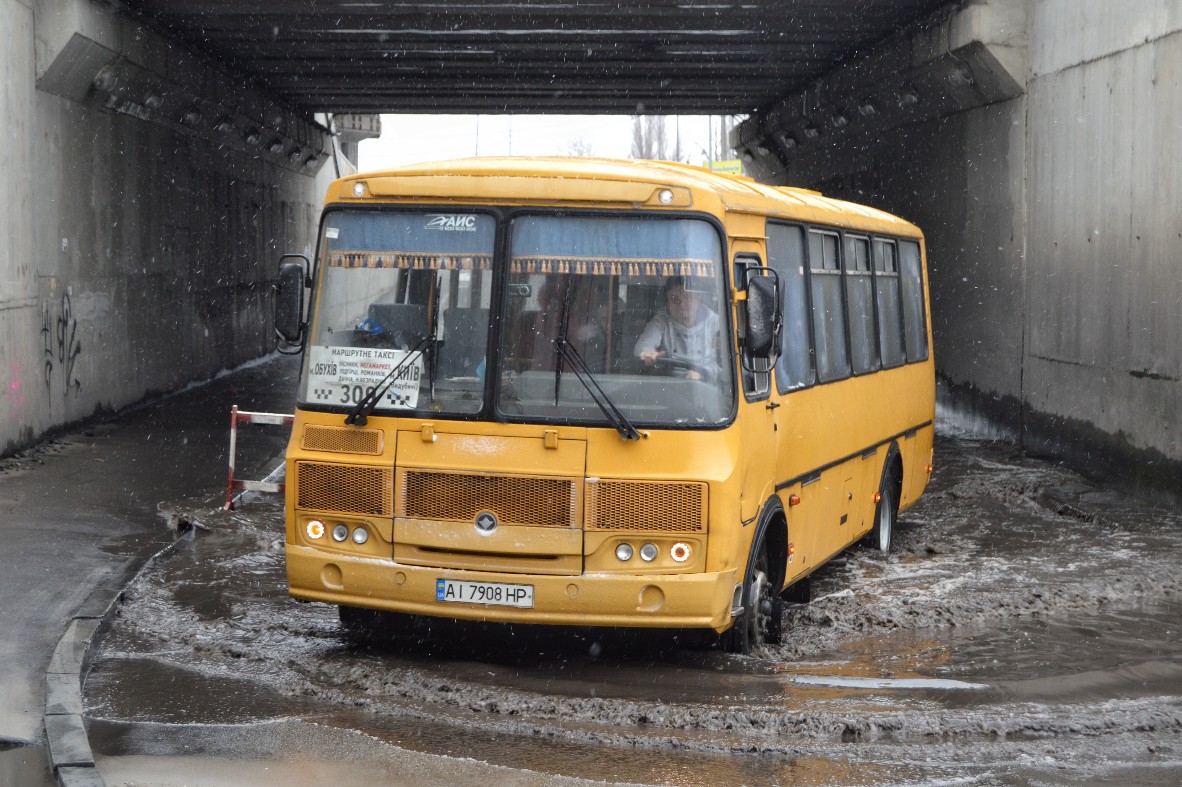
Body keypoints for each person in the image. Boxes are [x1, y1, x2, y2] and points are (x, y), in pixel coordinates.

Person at [633, 276, 721, 381]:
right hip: (672, 385)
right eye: (675, 299)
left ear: (698, 297)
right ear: (668, 301)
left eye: (688, 297)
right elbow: (643, 345)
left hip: (709, 388)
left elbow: (730, 365)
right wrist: (647, 353)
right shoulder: (661, 321)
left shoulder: (716, 323)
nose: (682, 304)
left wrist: (703, 373)